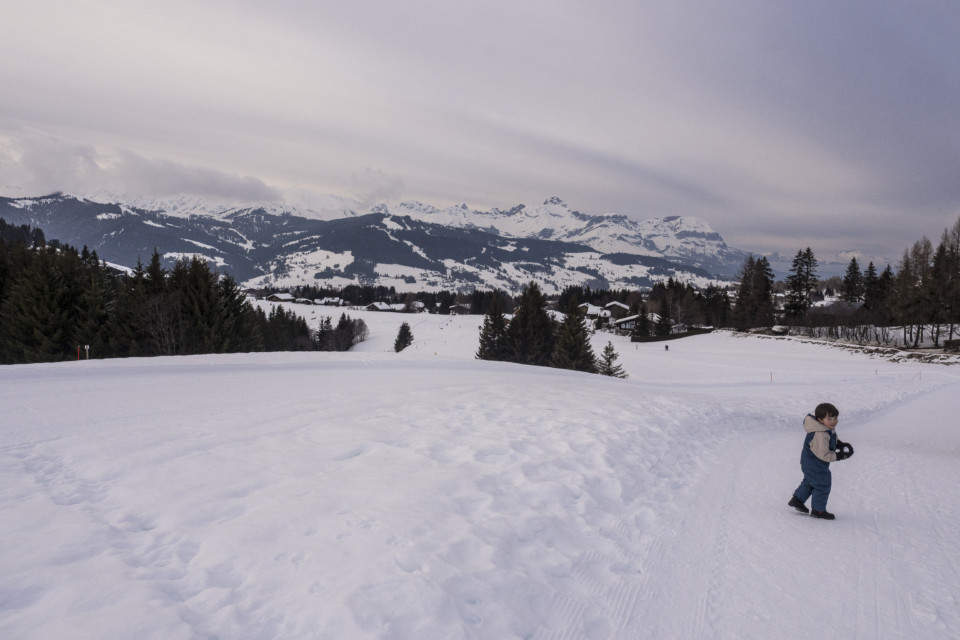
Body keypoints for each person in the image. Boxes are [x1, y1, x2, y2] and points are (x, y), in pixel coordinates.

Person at [788, 402, 853, 520]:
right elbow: (823, 454)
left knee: (811, 481)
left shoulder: (826, 428)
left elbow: (832, 439)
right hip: (814, 463)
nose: (833, 421)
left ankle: (797, 500)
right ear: (820, 420)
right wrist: (839, 456)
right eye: (829, 419)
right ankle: (818, 510)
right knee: (822, 483)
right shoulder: (820, 434)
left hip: (811, 463)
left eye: (835, 418)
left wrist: (839, 444)